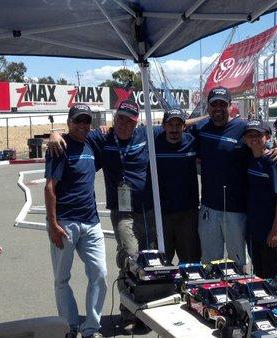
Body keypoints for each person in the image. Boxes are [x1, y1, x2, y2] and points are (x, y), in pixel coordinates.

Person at [48, 101, 203, 333]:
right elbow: (75, 134)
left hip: (148, 210)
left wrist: (206, 117)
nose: (122, 124)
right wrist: (54, 132)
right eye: (119, 118)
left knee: (151, 261)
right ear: (114, 118)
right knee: (131, 257)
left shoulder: (144, 133)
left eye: (128, 121)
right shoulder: (101, 138)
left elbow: (178, 123)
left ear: (135, 122)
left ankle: (147, 310)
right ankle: (127, 311)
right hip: (122, 212)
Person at [190, 86, 277, 269]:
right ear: (207, 107)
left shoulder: (242, 128)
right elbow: (180, 125)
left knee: (238, 262)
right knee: (209, 262)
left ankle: (238, 295)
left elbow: (264, 142)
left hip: (236, 210)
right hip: (209, 207)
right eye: (213, 104)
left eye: (222, 104)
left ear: (230, 106)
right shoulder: (201, 128)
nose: (218, 108)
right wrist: (203, 117)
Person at [44, 104, 106, 338]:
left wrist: (54, 131)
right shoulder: (59, 148)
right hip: (65, 223)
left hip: (91, 222)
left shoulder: (92, 143)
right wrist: (52, 224)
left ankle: (91, 328)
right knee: (62, 279)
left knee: (99, 273)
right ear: (69, 122)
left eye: (86, 121)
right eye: (78, 121)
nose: (82, 125)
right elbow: (50, 188)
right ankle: (69, 326)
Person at [148, 108, 201, 263]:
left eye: (178, 125)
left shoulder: (192, 142)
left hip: (188, 214)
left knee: (190, 261)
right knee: (161, 262)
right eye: (170, 125)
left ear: (184, 127)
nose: (174, 129)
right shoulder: (153, 144)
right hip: (161, 214)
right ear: (163, 126)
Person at [243, 119, 277, 278]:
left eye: (258, 135)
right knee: (258, 274)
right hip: (254, 229)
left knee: (271, 277)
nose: (254, 138)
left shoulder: (274, 161)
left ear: (268, 137)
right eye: (250, 135)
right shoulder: (249, 158)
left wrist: (276, 230)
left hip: (270, 230)